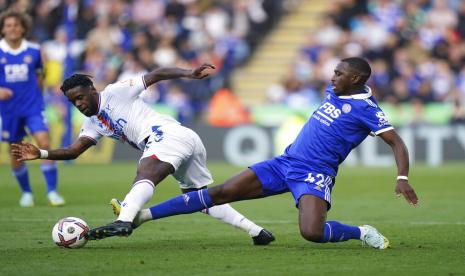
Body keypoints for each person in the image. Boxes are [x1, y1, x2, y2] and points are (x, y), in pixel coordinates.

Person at [84, 57, 418, 249]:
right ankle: (137, 218)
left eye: (339, 74)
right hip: (284, 162)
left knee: (312, 233)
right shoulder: (337, 91)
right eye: (334, 72)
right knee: (218, 192)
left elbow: (397, 143)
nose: (333, 77)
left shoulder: (368, 109)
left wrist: (402, 177)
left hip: (315, 174)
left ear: (356, 78)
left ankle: (361, 232)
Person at [11, 63, 275, 245]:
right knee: (201, 199)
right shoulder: (92, 123)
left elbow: (156, 75)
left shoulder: (116, 91)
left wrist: (188, 73)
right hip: (180, 140)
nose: (79, 104)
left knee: (145, 171)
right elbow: (73, 151)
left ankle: (125, 219)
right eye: (73, 102)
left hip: (167, 136)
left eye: (80, 97)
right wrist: (42, 152)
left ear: (93, 90)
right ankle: (257, 232)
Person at [0, 10, 64, 207]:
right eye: (9, 25)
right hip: (9, 110)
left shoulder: (34, 51)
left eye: (16, 25)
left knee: (44, 142)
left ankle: (52, 192)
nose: (13, 28)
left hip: (33, 107)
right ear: (3, 29)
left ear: (23, 28)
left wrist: (39, 100)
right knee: (16, 150)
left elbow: (40, 79)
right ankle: (26, 193)